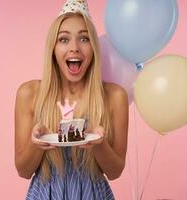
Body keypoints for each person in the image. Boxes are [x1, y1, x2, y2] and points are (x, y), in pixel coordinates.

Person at [14, 0, 128, 199]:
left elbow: (114, 172)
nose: (74, 48)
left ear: (94, 48)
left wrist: (99, 144)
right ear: (53, 48)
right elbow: (23, 171)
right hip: (45, 194)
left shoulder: (115, 96)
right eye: (64, 39)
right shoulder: (29, 94)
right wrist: (36, 143)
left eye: (84, 39)